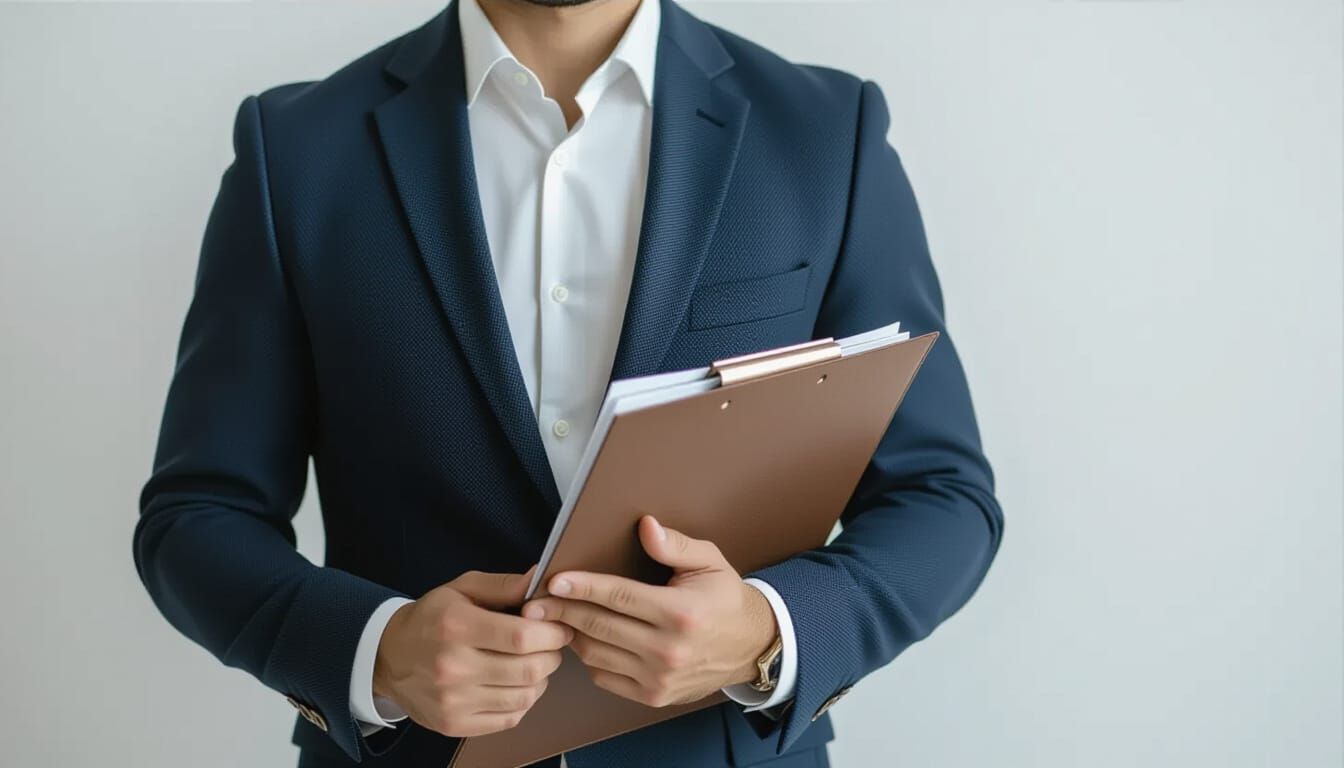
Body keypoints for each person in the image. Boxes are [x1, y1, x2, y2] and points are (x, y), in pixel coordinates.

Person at [132, 0, 1004, 765]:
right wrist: (378, 650)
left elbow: (941, 493)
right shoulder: (296, 148)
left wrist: (768, 630)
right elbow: (197, 515)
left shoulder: (826, 131)